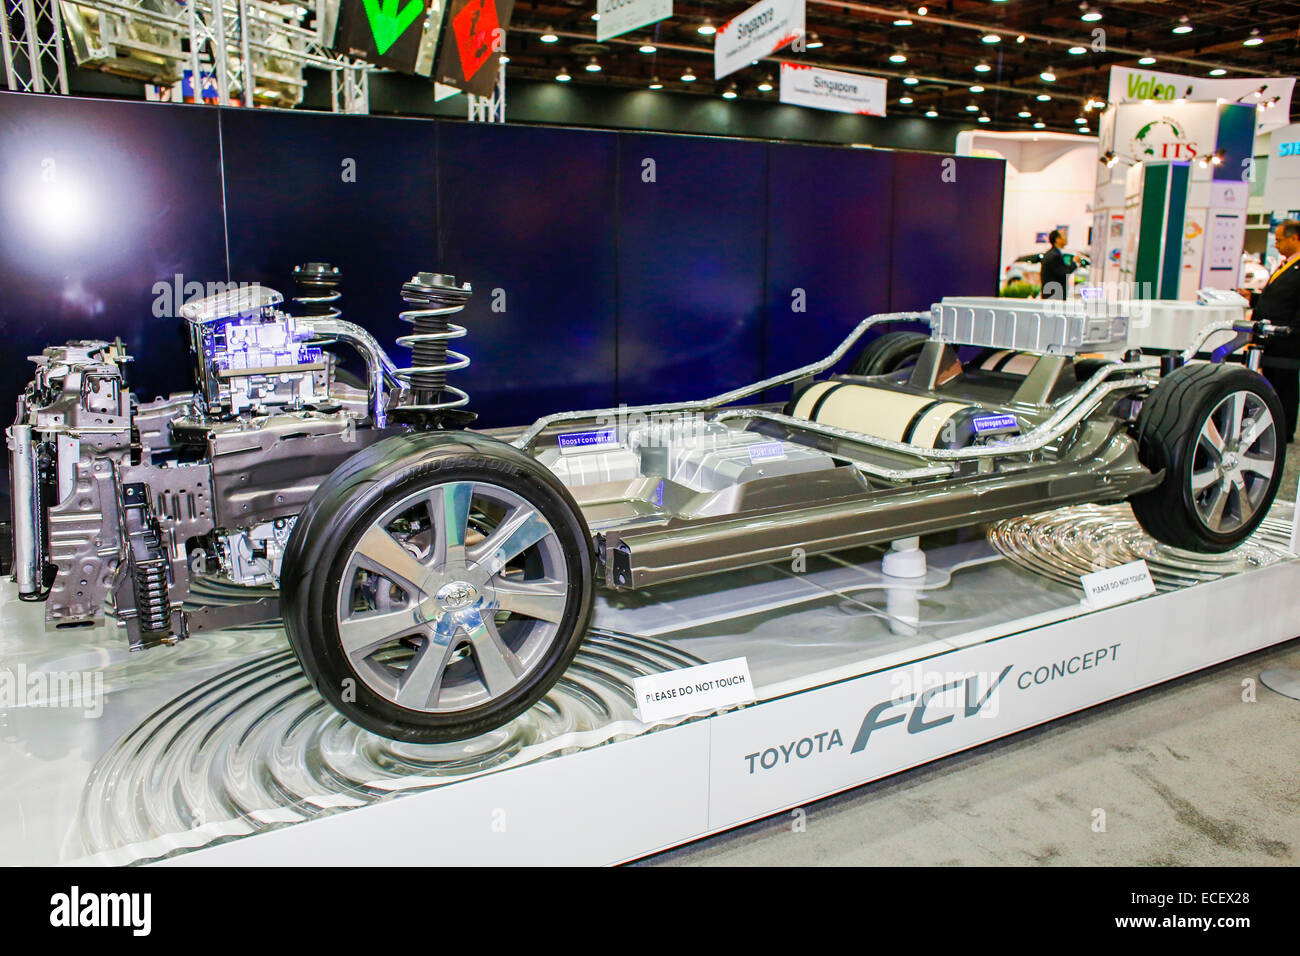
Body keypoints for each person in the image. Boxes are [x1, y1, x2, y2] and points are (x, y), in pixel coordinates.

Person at [1238, 220, 1300, 443]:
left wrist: (1292, 331)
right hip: (1272, 336)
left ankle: (1285, 431)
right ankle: (1273, 424)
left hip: (1287, 340)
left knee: (1286, 385)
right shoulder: (1287, 265)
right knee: (1273, 383)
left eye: (1280, 240)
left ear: (1295, 238)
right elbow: (1278, 298)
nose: (1277, 245)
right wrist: (1252, 298)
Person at [1040, 230, 1076, 301]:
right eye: (1064, 235)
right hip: (1054, 296)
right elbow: (1063, 273)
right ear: (1057, 239)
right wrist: (1074, 263)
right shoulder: (1054, 256)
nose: (1066, 238)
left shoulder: (1052, 253)